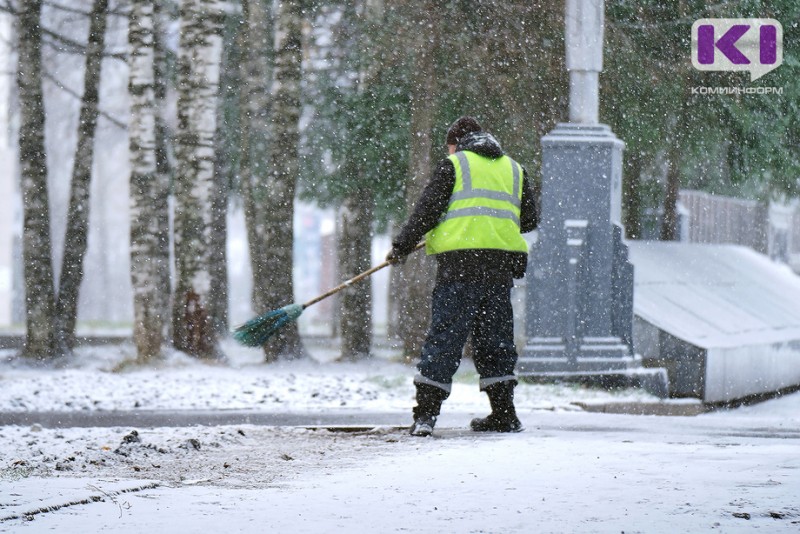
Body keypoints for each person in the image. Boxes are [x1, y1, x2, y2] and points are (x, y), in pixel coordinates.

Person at [387, 116, 539, 436]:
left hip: (459, 268)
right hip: (499, 270)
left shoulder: (454, 165)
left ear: (456, 143)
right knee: (495, 341)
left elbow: (426, 210)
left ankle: (425, 417)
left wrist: (401, 245)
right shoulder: (514, 169)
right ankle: (505, 413)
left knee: (445, 339)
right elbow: (528, 221)